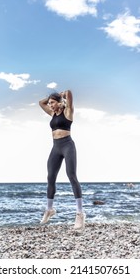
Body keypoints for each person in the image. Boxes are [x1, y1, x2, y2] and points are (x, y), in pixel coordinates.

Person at [39, 90, 85, 230]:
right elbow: (40, 103)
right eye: (50, 103)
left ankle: (80, 214)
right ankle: (49, 209)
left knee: (71, 176)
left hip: (67, 146)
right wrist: (51, 98)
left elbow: (70, 93)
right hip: (56, 147)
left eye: (52, 103)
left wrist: (63, 95)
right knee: (50, 177)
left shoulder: (68, 112)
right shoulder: (52, 113)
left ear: (59, 102)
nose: (50, 105)